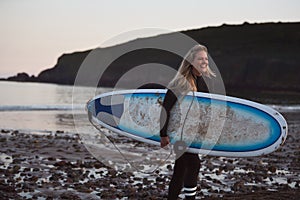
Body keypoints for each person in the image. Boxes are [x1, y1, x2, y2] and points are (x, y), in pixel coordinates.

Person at [160, 44, 216, 200]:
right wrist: (163, 134)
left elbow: (205, 109)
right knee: (194, 165)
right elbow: (166, 108)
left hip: (193, 133)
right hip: (181, 133)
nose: (204, 61)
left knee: (181, 169)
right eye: (200, 59)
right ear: (191, 61)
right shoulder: (181, 82)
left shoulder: (201, 81)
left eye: (206, 58)